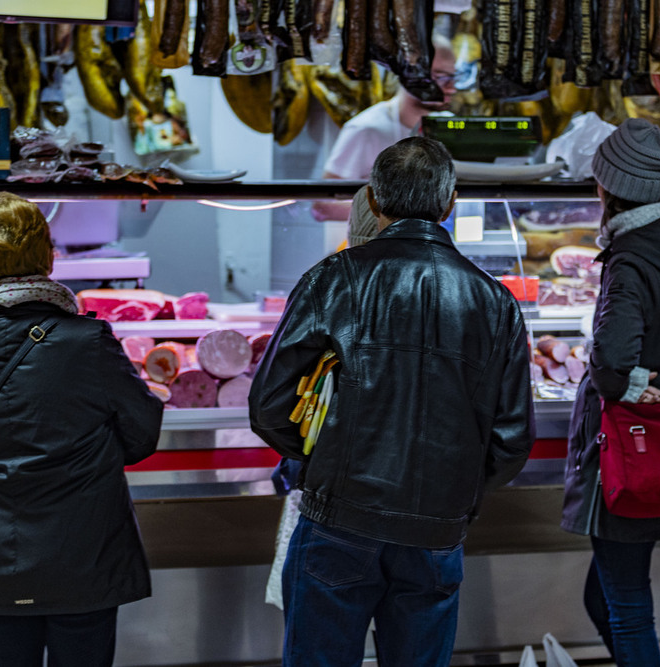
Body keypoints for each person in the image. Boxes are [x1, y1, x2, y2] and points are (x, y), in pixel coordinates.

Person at [249, 137, 535, 665]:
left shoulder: (331, 279)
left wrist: (326, 462)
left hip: (337, 523)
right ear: (450, 204)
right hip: (435, 533)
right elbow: (512, 441)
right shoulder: (494, 300)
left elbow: (269, 407)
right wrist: (454, 492)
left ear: (374, 202)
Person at [0, 192, 164, 667]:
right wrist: (89, 454)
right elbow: (143, 432)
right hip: (84, 552)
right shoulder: (89, 340)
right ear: (47, 253)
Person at [560, 119, 660, 666]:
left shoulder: (629, 260)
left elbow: (611, 361)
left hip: (629, 450)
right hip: (659, 444)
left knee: (625, 606)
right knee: (604, 598)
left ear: (606, 186)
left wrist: (618, 380)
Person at [311, 34, 457, 223]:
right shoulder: (366, 129)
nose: (451, 87)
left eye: (453, 76)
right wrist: (403, 215)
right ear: (408, 74)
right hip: (377, 250)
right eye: (440, 77)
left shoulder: (453, 129)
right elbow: (323, 208)